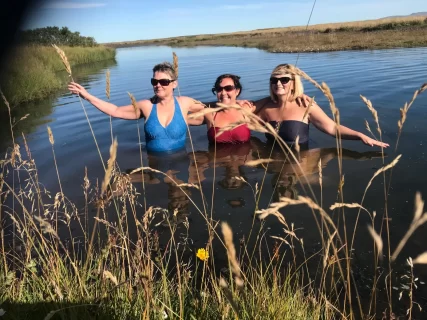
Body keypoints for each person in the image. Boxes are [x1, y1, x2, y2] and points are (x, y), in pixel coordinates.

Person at [68, 62, 205, 153]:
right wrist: (87, 96)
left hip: (179, 160)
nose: (158, 85)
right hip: (153, 163)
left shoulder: (185, 103)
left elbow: (212, 112)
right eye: (154, 81)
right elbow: (116, 111)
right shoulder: (146, 106)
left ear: (174, 84)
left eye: (163, 81)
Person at [247, 63, 389, 148]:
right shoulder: (265, 108)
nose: (278, 83)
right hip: (273, 163)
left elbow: (333, 128)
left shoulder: (305, 105)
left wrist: (359, 135)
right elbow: (241, 120)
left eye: (284, 80)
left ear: (294, 82)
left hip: (301, 162)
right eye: (274, 80)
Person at [191, 74, 251, 144]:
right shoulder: (209, 114)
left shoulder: (246, 109)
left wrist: (233, 103)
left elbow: (266, 102)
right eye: (219, 89)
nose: (223, 93)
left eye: (228, 88)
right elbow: (183, 112)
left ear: (237, 91)